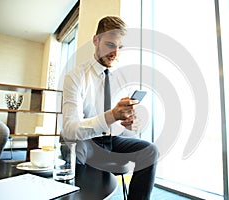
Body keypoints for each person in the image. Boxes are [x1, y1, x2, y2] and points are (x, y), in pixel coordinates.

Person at [62, 16, 158, 200]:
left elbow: (128, 129)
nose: (115, 53)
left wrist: (131, 124)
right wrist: (111, 115)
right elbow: (70, 129)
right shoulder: (75, 77)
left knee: (150, 150)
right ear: (95, 40)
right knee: (76, 147)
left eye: (120, 47)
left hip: (114, 140)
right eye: (110, 45)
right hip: (87, 143)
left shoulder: (122, 78)